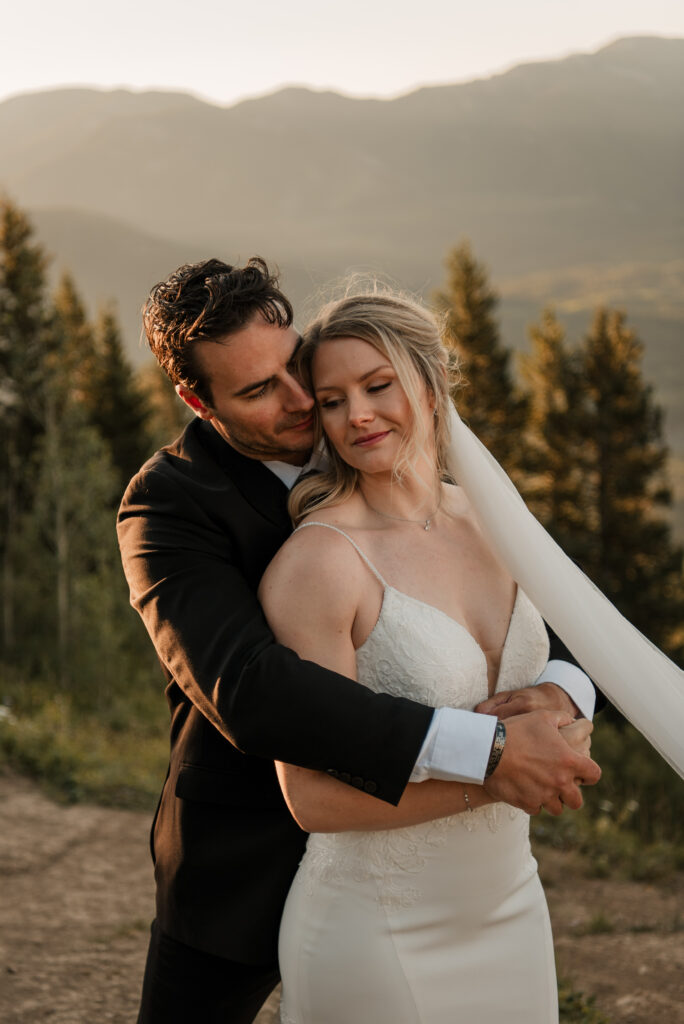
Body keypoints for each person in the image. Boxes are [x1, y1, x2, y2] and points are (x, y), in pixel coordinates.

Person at [117, 258, 601, 1024]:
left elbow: (565, 603)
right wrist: (493, 752)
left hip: (467, 878)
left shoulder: (389, 445)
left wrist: (560, 690)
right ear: (197, 401)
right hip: (246, 856)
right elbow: (252, 688)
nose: (305, 400)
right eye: (257, 390)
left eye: (295, 364)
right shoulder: (167, 507)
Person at [259, 288, 595, 1022]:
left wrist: (565, 708)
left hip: (512, 905)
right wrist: (499, 778)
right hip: (378, 929)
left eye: (378, 387)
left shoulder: (490, 516)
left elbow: (568, 651)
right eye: (333, 400)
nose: (359, 417)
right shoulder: (321, 565)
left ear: (433, 384)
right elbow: (310, 799)